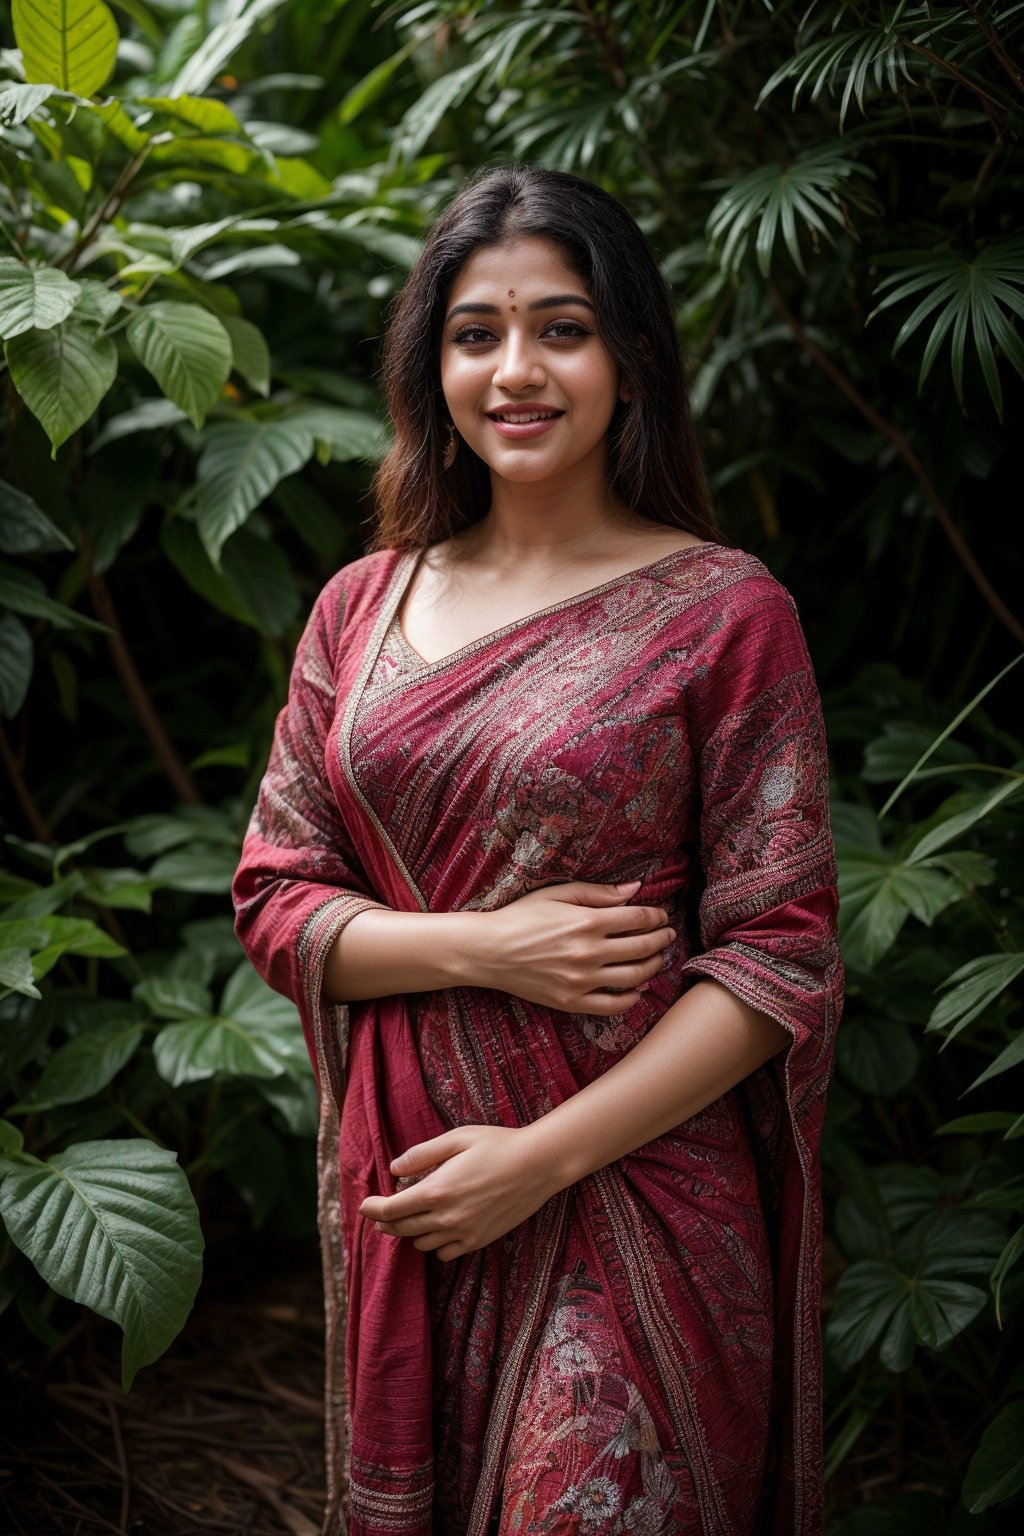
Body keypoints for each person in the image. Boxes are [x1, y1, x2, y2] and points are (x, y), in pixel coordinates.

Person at [232, 162, 843, 1536]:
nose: (518, 369)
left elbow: (779, 961)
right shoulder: (359, 611)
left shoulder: (726, 616)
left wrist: (544, 1158)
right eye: (475, 332)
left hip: (633, 1191)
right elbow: (276, 894)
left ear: (631, 355)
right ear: (428, 365)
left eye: (562, 327)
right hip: (425, 1194)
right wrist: (485, 947)